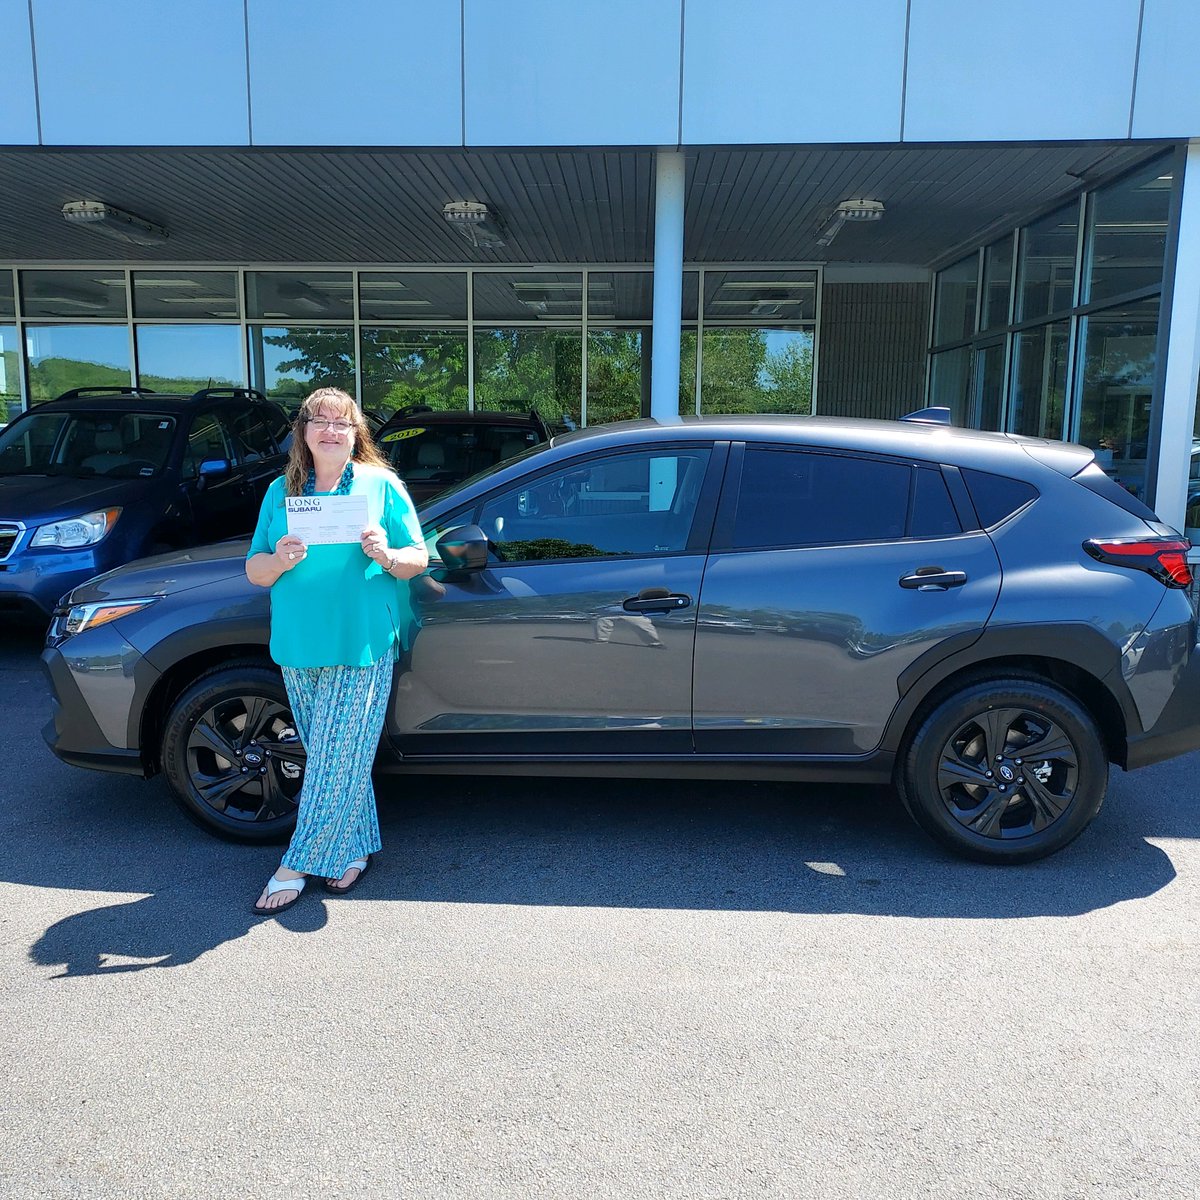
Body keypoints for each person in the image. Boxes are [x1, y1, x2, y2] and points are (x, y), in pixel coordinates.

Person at [245, 387, 428, 916]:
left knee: (334, 757)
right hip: (300, 644)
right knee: (337, 758)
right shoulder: (281, 491)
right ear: (303, 431)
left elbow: (418, 558)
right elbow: (255, 571)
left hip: (362, 641)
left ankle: (296, 863)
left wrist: (387, 554)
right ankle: (355, 847)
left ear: (355, 434)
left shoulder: (380, 485)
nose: (330, 430)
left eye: (342, 423)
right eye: (320, 421)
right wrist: (278, 559)